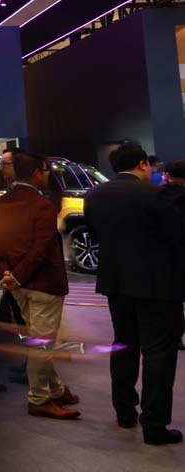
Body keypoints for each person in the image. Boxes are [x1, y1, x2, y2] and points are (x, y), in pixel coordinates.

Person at [84, 142, 185, 443]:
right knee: (158, 353)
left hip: (116, 283)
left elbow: (95, 234)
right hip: (158, 286)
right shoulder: (157, 194)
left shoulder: (94, 195)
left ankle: (125, 411)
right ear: (143, 164)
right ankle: (154, 424)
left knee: (124, 344)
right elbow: (177, 237)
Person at [0, 150, 78, 421]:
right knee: (41, 344)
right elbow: (42, 248)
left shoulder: (1, 203)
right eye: (45, 171)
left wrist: (8, 273)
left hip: (17, 286)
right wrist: (16, 276)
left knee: (39, 341)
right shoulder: (42, 205)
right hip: (43, 284)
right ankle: (39, 399)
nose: (47, 175)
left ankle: (55, 389)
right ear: (37, 173)